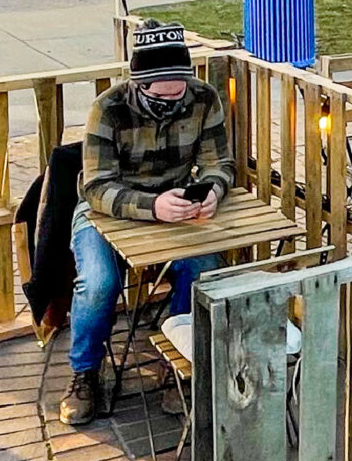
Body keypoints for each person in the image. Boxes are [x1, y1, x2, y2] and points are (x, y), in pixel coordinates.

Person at [61, 22, 236, 425]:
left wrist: (211, 190)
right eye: (162, 94)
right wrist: (152, 205)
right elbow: (95, 187)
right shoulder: (108, 108)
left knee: (203, 270)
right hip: (108, 211)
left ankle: (179, 364)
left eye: (180, 90)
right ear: (138, 83)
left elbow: (218, 163)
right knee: (98, 283)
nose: (173, 100)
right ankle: (84, 372)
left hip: (177, 205)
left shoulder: (204, 98)